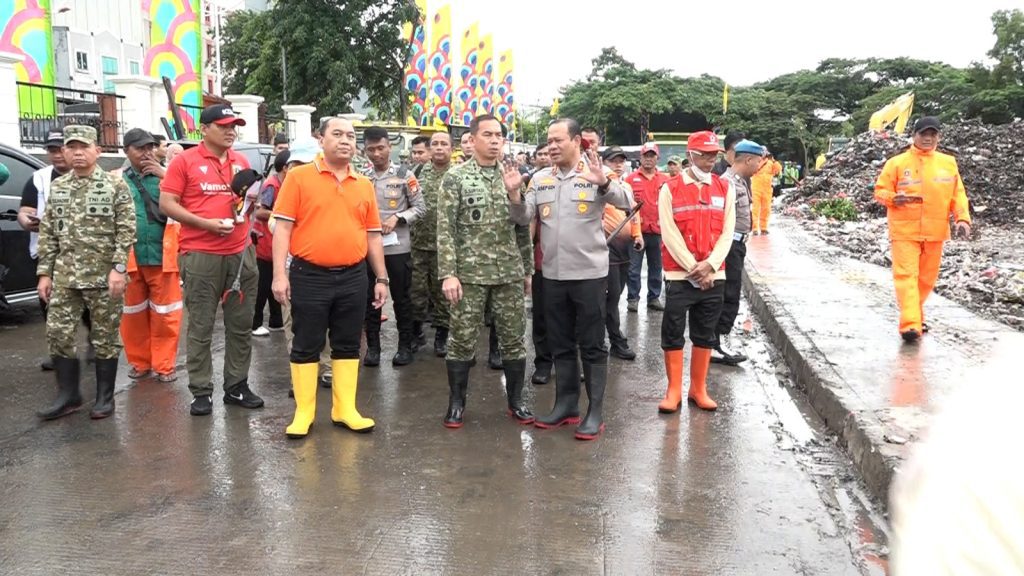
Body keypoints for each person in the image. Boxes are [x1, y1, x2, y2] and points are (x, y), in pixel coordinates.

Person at [515, 118, 631, 441]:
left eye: (557, 140)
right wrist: (513, 194)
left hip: (590, 276)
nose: (551, 146)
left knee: (592, 344)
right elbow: (524, 216)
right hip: (552, 275)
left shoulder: (594, 172)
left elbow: (625, 202)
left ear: (576, 141)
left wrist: (604, 183)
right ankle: (566, 405)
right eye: (548, 141)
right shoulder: (539, 179)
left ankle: (595, 411)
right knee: (560, 342)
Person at [271, 117, 387, 438]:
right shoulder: (298, 177)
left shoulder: (363, 184)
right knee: (306, 343)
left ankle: (344, 408)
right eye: (337, 134)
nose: (345, 140)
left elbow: (373, 235)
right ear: (321, 139)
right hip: (309, 275)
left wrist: (381, 278)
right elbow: (282, 228)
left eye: (350, 135)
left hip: (353, 276)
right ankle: (304, 412)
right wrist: (279, 274)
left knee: (348, 343)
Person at [159, 104, 264, 416]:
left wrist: (250, 204)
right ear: (204, 129)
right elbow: (167, 203)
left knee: (241, 324)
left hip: (240, 252)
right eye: (223, 125)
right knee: (201, 326)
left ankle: (236, 386)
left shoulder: (241, 161)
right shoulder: (185, 162)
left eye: (234, 126)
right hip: (201, 254)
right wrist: (205, 224)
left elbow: (245, 203)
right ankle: (201, 391)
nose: (231, 131)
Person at [436, 114, 533, 429]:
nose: (495, 140)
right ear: (473, 139)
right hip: (469, 275)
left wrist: (527, 270)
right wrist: (448, 273)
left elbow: (523, 225)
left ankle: (516, 401)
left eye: (499, 135)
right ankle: (456, 403)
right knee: (462, 340)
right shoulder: (456, 177)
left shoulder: (514, 176)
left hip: (507, 273)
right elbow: (445, 229)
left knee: (514, 339)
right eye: (488, 134)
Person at [35, 125, 136, 420]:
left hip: (104, 276)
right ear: (64, 151)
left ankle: (105, 397)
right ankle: (68, 395)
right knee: (58, 333)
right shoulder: (59, 187)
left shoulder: (114, 186)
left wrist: (119, 268)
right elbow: (49, 232)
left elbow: (126, 230)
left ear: (97, 151)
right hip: (66, 276)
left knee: (105, 336)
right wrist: (45, 272)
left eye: (84, 147)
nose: (77, 153)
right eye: (71, 147)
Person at [656, 131, 736, 415]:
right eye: (703, 154)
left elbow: (728, 232)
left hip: (715, 275)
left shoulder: (725, 188)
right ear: (690, 155)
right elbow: (669, 232)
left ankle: (698, 389)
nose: (709, 159)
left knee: (705, 333)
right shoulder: (670, 188)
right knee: (673, 331)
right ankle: (673, 389)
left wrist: (711, 265)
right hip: (681, 275)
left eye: (713, 154)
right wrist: (694, 267)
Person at [874, 116, 971, 343]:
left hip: (935, 231)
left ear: (938, 136)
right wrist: (891, 198)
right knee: (907, 276)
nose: (928, 138)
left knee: (926, 280)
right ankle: (910, 325)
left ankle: (915, 315)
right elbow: (880, 190)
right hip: (904, 230)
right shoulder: (896, 163)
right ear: (914, 135)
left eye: (933, 134)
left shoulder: (948, 163)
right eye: (923, 134)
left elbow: (958, 194)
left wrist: (962, 219)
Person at [119, 128, 183, 383]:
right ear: (126, 152)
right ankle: (140, 362)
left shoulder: (167, 177)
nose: (146, 153)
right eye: (139, 149)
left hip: (163, 257)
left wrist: (165, 176)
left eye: (149, 148)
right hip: (130, 259)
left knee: (166, 314)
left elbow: (188, 203)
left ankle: (164, 365)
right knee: (132, 314)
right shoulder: (116, 180)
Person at [18, 130, 83, 372]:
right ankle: (60, 351)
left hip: (86, 253)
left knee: (88, 304)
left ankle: (97, 346)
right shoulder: (39, 179)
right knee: (51, 303)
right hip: (49, 252)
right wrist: (26, 220)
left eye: (61, 149)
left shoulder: (92, 177)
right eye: (52, 150)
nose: (56, 155)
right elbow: (24, 210)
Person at [361, 126, 426, 366]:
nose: (376, 154)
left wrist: (397, 218)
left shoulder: (405, 174)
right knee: (371, 298)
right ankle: (374, 349)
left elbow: (420, 207)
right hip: (368, 246)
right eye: (371, 149)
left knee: (401, 298)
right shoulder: (360, 175)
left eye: (381, 148)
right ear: (364, 150)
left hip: (397, 246)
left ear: (390, 147)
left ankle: (405, 346)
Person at [710, 140, 765, 366]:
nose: (760, 166)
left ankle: (718, 340)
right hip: (728, 246)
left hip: (737, 245)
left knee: (731, 293)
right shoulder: (727, 184)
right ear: (748, 159)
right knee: (726, 294)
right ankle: (715, 344)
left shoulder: (741, 181)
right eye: (759, 161)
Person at [410, 131, 453, 357]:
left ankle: (442, 335)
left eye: (443, 144)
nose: (438, 148)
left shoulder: (457, 175)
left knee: (443, 294)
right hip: (418, 243)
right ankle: (416, 333)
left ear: (451, 149)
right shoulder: (416, 173)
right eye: (434, 144)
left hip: (445, 247)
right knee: (416, 291)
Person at [601, 146, 643, 360]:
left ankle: (612, 339)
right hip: (606, 249)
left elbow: (633, 213)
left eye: (621, 161)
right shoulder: (600, 186)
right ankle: (615, 340)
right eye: (613, 161)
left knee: (615, 296)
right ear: (604, 162)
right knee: (610, 297)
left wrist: (637, 235)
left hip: (625, 248)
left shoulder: (625, 186)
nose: (618, 164)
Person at [625, 142, 668, 312]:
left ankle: (654, 297)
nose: (648, 159)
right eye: (645, 156)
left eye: (652, 156)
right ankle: (633, 298)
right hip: (637, 232)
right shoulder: (630, 179)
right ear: (640, 158)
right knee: (633, 267)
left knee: (656, 267)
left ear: (657, 158)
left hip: (658, 231)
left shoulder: (665, 180)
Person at [251, 151, 289, 337]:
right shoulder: (272, 186)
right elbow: (260, 212)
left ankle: (276, 321)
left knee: (277, 281)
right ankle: (255, 322)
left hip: (275, 243)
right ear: (285, 168)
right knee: (262, 286)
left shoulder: (284, 184)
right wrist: (280, 215)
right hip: (265, 244)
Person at [751, 150, 781, 235]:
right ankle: (755, 228)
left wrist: (773, 160)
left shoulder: (771, 163)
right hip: (756, 188)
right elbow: (754, 170)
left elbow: (778, 170)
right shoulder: (756, 161)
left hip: (767, 189)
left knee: (766, 209)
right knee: (755, 209)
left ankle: (764, 228)